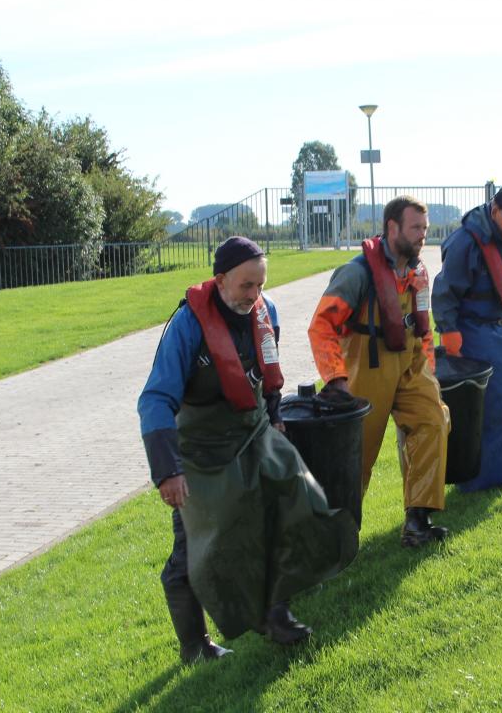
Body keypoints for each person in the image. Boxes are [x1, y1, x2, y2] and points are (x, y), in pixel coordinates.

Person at [137, 236, 358, 663]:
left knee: (292, 502)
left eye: (260, 285)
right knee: (198, 548)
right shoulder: (186, 327)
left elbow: (269, 371)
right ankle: (194, 645)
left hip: (253, 431)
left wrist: (274, 417)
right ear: (220, 280)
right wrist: (168, 471)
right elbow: (153, 401)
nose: (254, 296)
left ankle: (275, 613)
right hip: (199, 450)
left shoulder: (265, 311)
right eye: (245, 286)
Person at [308, 196, 452, 547]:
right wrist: (336, 379)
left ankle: (418, 521)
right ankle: (335, 540)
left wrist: (428, 372)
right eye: (416, 228)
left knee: (433, 420)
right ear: (392, 228)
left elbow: (423, 327)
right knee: (355, 458)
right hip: (365, 368)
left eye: (426, 229)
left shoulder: (417, 272)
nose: (423, 236)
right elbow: (321, 326)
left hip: (410, 363)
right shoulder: (357, 273)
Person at [431, 187, 502, 490]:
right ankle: (484, 478)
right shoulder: (464, 243)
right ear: (494, 210)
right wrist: (449, 333)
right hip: (476, 330)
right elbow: (444, 293)